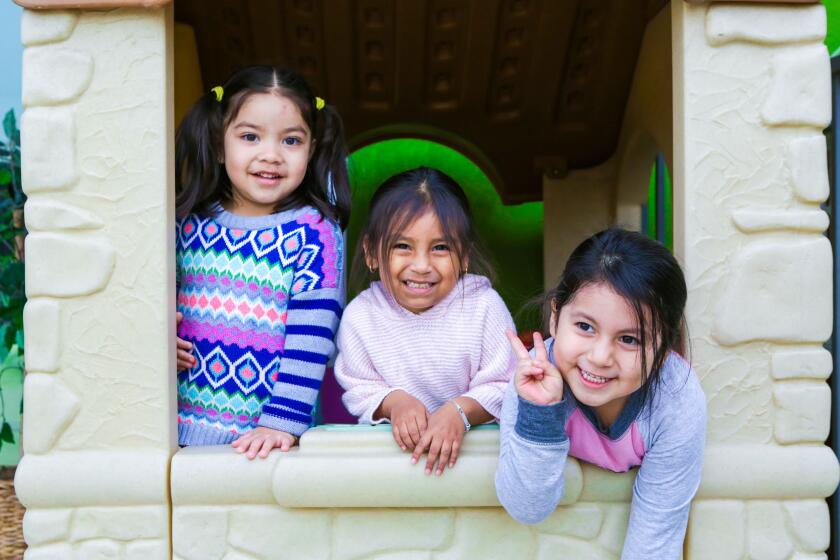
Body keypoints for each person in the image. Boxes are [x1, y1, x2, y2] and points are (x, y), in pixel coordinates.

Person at [173, 65, 351, 459]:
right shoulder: (184, 223)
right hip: (172, 434)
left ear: (312, 148)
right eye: (250, 137)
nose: (270, 155)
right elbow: (150, 303)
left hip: (269, 445)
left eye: (291, 140)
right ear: (220, 145)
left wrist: (280, 423)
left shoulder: (315, 233)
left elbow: (311, 340)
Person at [496, 228, 706, 558]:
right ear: (555, 317)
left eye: (629, 339)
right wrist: (539, 415)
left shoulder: (676, 400)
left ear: (664, 348)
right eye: (585, 327)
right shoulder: (535, 379)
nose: (599, 357)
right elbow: (526, 507)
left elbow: (655, 540)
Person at [334, 167, 515, 476]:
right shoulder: (360, 316)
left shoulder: (484, 307)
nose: (421, 266)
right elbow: (358, 386)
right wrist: (394, 402)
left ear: (465, 255)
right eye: (402, 247)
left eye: (440, 248)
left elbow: (505, 385)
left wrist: (459, 412)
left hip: (474, 467)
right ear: (371, 253)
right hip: (390, 471)